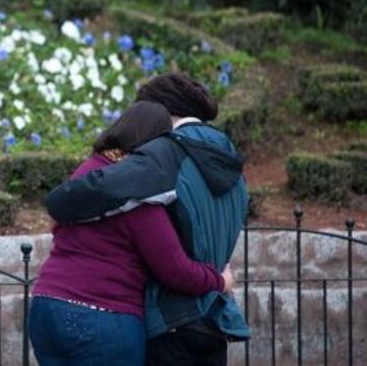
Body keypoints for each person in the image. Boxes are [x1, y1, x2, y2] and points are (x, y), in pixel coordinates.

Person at [45, 73, 250, 366]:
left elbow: (80, 195)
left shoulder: (164, 153)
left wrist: (60, 203)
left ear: (162, 113)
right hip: (214, 319)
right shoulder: (231, 160)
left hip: (169, 321)